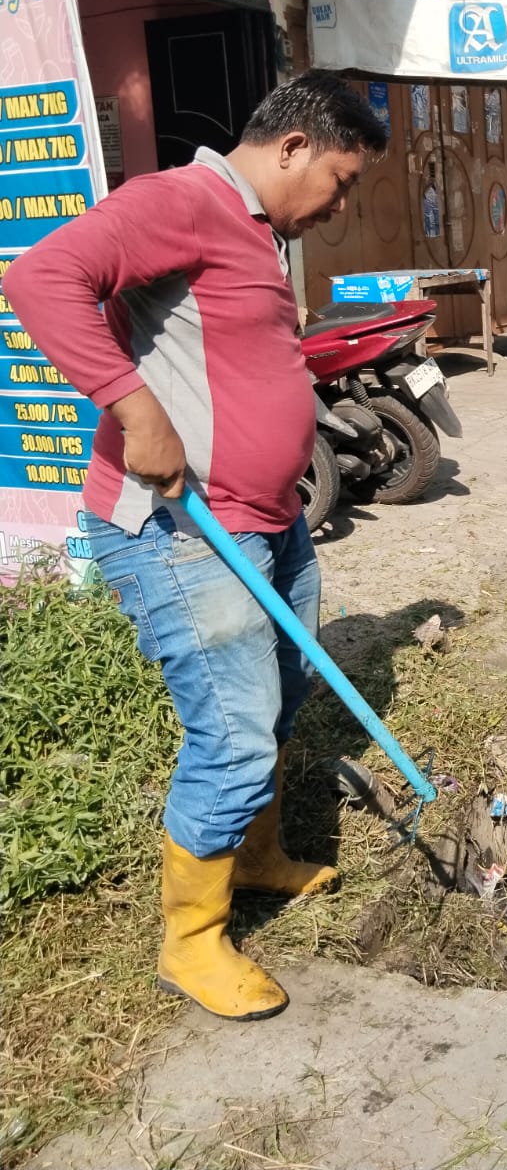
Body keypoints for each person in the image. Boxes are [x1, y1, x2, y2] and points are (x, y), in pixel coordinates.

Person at [5, 70, 387, 1022]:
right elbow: (40, 277)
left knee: (281, 701)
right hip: (182, 530)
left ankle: (255, 857)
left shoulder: (256, 227)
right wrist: (133, 407)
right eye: (339, 182)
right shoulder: (182, 200)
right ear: (294, 146)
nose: (339, 206)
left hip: (267, 518)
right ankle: (192, 943)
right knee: (232, 730)